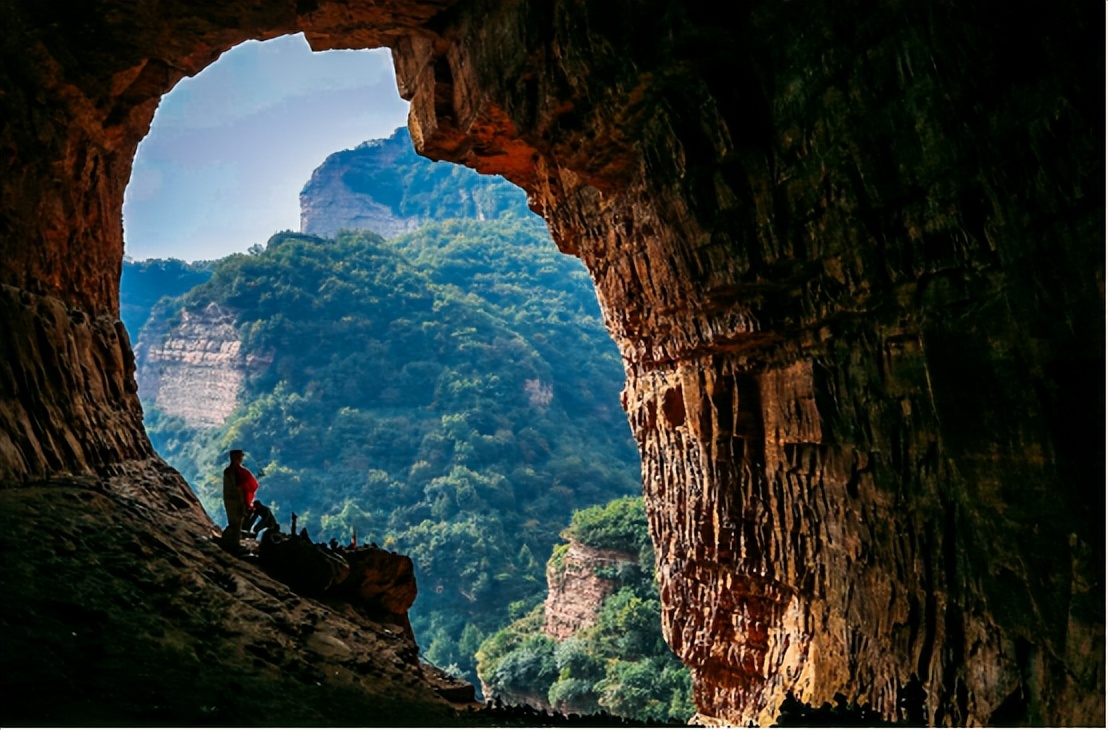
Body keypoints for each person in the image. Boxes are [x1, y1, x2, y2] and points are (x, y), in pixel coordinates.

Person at [221, 449, 258, 551]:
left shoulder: (228, 471)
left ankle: (229, 541)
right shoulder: (237, 472)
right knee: (236, 523)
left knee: (234, 522)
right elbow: (239, 488)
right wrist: (242, 503)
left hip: (229, 499)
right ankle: (234, 544)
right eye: (240, 457)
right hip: (236, 501)